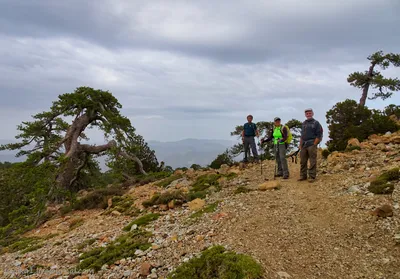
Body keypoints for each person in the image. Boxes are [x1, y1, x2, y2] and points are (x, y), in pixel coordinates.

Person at [298, 108, 323, 182]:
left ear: (312, 114)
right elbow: (302, 135)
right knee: (303, 161)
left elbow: (319, 134)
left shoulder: (316, 123)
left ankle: (312, 176)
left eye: (309, 113)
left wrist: (315, 143)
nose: (308, 114)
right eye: (307, 113)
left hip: (312, 143)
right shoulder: (304, 123)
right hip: (304, 144)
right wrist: (300, 144)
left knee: (312, 161)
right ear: (305, 115)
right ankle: (303, 176)